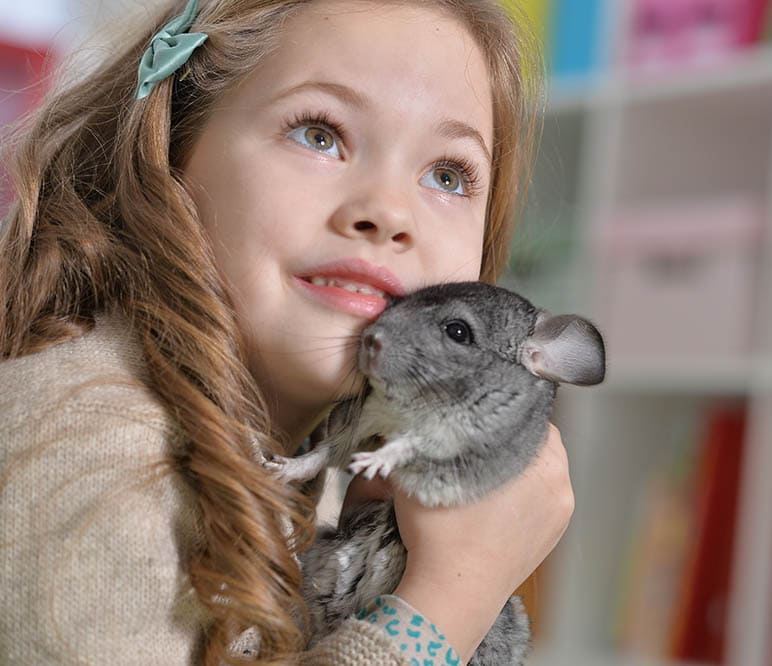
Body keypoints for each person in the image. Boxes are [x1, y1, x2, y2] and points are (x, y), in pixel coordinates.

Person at [0, 1, 576, 664]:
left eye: (446, 175)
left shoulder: (322, 475)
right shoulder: (81, 450)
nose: (389, 212)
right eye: (320, 134)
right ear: (171, 150)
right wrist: (448, 599)